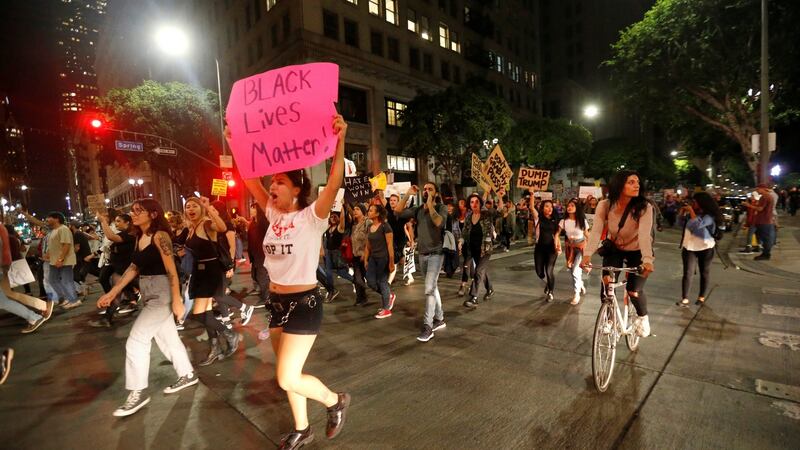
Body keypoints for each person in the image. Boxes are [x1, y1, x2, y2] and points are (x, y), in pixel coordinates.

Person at [238, 115, 351, 449]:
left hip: (305, 304)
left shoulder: (312, 216)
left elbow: (334, 182)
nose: (272, 187)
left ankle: (335, 400)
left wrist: (340, 140)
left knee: (286, 376)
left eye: (280, 182)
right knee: (289, 376)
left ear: (298, 188)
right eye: (272, 182)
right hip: (277, 305)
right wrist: (236, 143)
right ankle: (303, 428)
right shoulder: (274, 215)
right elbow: (249, 180)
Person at [97, 198, 197, 417]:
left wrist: (177, 300)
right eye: (132, 211)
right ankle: (188, 374)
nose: (133, 214)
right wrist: (113, 292)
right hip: (148, 291)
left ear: (153, 214)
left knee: (137, 339)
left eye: (138, 211)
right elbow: (134, 267)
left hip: (162, 293)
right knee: (168, 339)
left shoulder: (160, 236)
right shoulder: (139, 236)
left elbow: (171, 269)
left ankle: (138, 391)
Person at [583, 170, 656, 338]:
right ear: (619, 185)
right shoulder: (605, 205)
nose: (636, 185)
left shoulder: (645, 207)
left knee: (633, 291)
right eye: (631, 182)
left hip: (637, 250)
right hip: (614, 247)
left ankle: (643, 317)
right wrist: (587, 255)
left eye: (637, 182)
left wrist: (647, 260)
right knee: (607, 283)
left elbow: (645, 236)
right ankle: (609, 319)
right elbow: (595, 232)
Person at [183, 197, 241, 366]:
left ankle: (230, 334)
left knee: (199, 314)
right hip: (199, 272)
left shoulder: (207, 223)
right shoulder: (191, 227)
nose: (191, 209)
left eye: (194, 206)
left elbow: (222, 228)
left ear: (201, 209)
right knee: (206, 313)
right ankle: (214, 348)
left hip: (210, 271)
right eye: (188, 207)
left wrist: (209, 210)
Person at [394, 182, 448, 342]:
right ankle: (440, 318)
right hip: (422, 254)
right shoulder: (418, 209)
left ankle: (428, 326)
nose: (426, 191)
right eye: (424, 189)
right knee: (432, 287)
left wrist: (431, 204)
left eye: (430, 189)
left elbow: (439, 222)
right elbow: (397, 211)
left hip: (436, 253)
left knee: (429, 289)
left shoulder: (441, 208)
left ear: (436, 193)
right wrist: (408, 194)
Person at [211, 200, 255, 327]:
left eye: (213, 210)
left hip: (226, 263)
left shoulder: (227, 225)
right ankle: (226, 320)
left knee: (218, 294)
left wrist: (230, 265)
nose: (211, 212)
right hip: (218, 263)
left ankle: (245, 308)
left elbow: (232, 246)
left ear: (219, 211)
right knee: (220, 292)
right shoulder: (215, 225)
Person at [1, 224, 50, 333]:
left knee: (5, 299)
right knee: (8, 295)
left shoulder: (7, 235)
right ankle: (39, 308)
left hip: (10, 265)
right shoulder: (7, 232)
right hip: (9, 265)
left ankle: (34, 315)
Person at [89, 213, 136, 328]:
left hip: (125, 269)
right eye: (115, 221)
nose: (116, 223)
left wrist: (103, 221)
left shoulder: (129, 235)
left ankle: (108, 318)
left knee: (116, 294)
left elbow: (111, 237)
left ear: (127, 223)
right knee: (117, 291)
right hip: (122, 268)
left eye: (119, 221)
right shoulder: (124, 234)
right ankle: (130, 302)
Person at [461, 189, 504, 308]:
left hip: (485, 249)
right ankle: (490, 289)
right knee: (482, 271)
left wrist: (499, 197)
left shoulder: (486, 214)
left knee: (478, 271)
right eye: (471, 202)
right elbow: (464, 232)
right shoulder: (469, 217)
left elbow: (500, 212)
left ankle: (473, 297)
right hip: (473, 249)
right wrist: (461, 241)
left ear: (480, 203)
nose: (474, 204)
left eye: (476, 202)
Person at [676, 192, 721, 307]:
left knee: (704, 272)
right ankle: (685, 299)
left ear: (701, 203)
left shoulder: (709, 216)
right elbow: (679, 224)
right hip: (689, 246)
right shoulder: (691, 213)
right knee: (687, 273)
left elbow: (697, 226)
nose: (693, 204)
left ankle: (701, 297)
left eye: (694, 202)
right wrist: (681, 213)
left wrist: (691, 211)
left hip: (705, 247)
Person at [363, 204, 396, 319]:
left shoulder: (385, 226)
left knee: (382, 282)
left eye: (371, 210)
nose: (368, 212)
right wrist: (366, 259)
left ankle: (386, 309)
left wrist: (391, 262)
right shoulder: (369, 227)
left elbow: (390, 245)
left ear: (377, 214)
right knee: (371, 282)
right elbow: (368, 245)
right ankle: (388, 295)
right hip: (373, 258)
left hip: (383, 258)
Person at [44, 212, 80, 309]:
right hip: (54, 261)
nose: (47, 219)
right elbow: (53, 246)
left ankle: (74, 300)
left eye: (49, 217)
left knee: (66, 281)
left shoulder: (63, 229)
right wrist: (48, 255)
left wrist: (60, 259)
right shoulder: (54, 230)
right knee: (52, 280)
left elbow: (66, 245)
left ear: (56, 219)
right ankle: (65, 298)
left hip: (65, 260)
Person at [559, 198, 589, 305]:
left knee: (576, 269)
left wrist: (590, 250)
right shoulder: (564, 221)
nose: (569, 207)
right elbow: (557, 233)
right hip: (570, 248)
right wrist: (556, 242)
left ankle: (576, 294)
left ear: (577, 208)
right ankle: (580, 284)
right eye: (568, 205)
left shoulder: (582, 221)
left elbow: (587, 235)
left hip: (581, 247)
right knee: (573, 269)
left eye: (572, 205)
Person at [531, 196, 561, 302]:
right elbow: (531, 207)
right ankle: (548, 284)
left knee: (549, 270)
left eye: (551, 207)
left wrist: (558, 245)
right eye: (547, 206)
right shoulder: (538, 218)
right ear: (542, 208)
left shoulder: (555, 220)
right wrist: (531, 195)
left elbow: (557, 234)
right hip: (539, 248)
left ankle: (551, 291)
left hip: (551, 249)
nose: (550, 209)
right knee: (540, 272)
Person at [322, 208, 353, 302]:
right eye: (331, 217)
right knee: (328, 273)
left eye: (334, 216)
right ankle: (331, 291)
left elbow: (343, 218)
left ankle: (357, 282)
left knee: (341, 272)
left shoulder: (340, 228)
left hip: (337, 254)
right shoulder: (328, 228)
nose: (332, 218)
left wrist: (342, 207)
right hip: (328, 253)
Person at [743, 184, 776, 261]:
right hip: (766, 220)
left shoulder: (764, 197)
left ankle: (766, 254)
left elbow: (760, 209)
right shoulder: (769, 196)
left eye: (758, 189)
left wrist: (748, 205)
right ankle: (765, 253)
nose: (757, 191)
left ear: (763, 189)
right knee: (765, 238)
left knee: (765, 238)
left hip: (764, 221)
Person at [247, 202, 270, 307]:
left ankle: (266, 297)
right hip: (254, 253)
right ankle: (263, 292)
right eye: (251, 208)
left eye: (254, 208)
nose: (251, 210)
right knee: (255, 275)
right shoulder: (252, 223)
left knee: (262, 275)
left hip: (263, 253)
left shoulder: (264, 223)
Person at [349, 204, 370, 307]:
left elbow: (370, 238)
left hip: (365, 255)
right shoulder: (354, 225)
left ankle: (386, 293)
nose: (354, 211)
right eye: (354, 209)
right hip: (356, 255)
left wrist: (366, 253)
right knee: (357, 278)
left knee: (370, 279)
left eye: (357, 209)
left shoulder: (367, 222)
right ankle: (361, 298)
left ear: (363, 211)